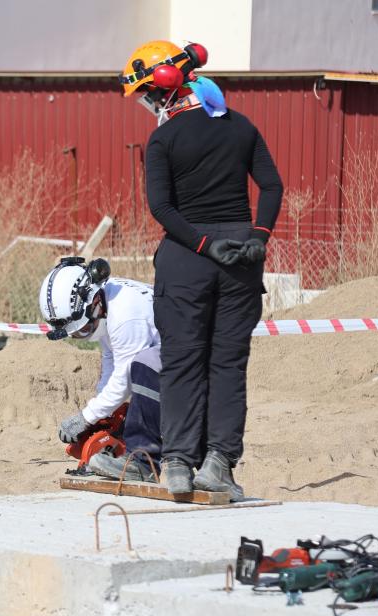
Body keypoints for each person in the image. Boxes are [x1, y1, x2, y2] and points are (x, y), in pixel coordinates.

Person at [121, 41, 283, 499]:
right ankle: (219, 465)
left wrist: (203, 244)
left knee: (182, 363)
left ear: (166, 86)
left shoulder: (163, 139)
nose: (149, 104)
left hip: (187, 258)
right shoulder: (242, 127)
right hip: (242, 260)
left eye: (149, 94)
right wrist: (258, 237)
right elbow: (272, 186)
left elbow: (162, 207)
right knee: (229, 364)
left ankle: (176, 464)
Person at [40, 257, 162, 482]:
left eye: (81, 329)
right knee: (134, 380)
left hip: (195, 361)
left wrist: (87, 417)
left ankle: (144, 463)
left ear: (94, 305)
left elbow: (125, 378)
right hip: (167, 356)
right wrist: (102, 413)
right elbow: (111, 357)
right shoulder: (105, 299)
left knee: (142, 367)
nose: (80, 335)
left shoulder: (126, 316)